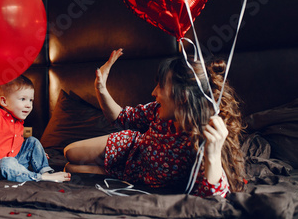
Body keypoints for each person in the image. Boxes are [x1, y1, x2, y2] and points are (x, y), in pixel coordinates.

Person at [64, 49, 245, 197]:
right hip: (131, 148)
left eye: (160, 86)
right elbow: (122, 117)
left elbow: (213, 197)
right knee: (68, 153)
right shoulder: (159, 110)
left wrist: (212, 156)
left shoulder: (202, 138)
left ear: (182, 97)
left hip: (137, 176)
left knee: (70, 169)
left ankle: (110, 171)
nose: (153, 92)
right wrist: (101, 89)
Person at [0, 75, 71, 183]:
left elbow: (16, 147)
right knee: (7, 162)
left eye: (31, 100)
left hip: (16, 163)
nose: (29, 105)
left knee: (32, 141)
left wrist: (36, 153)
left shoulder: (18, 121)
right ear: (4, 101)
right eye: (23, 99)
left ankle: (44, 172)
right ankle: (40, 178)